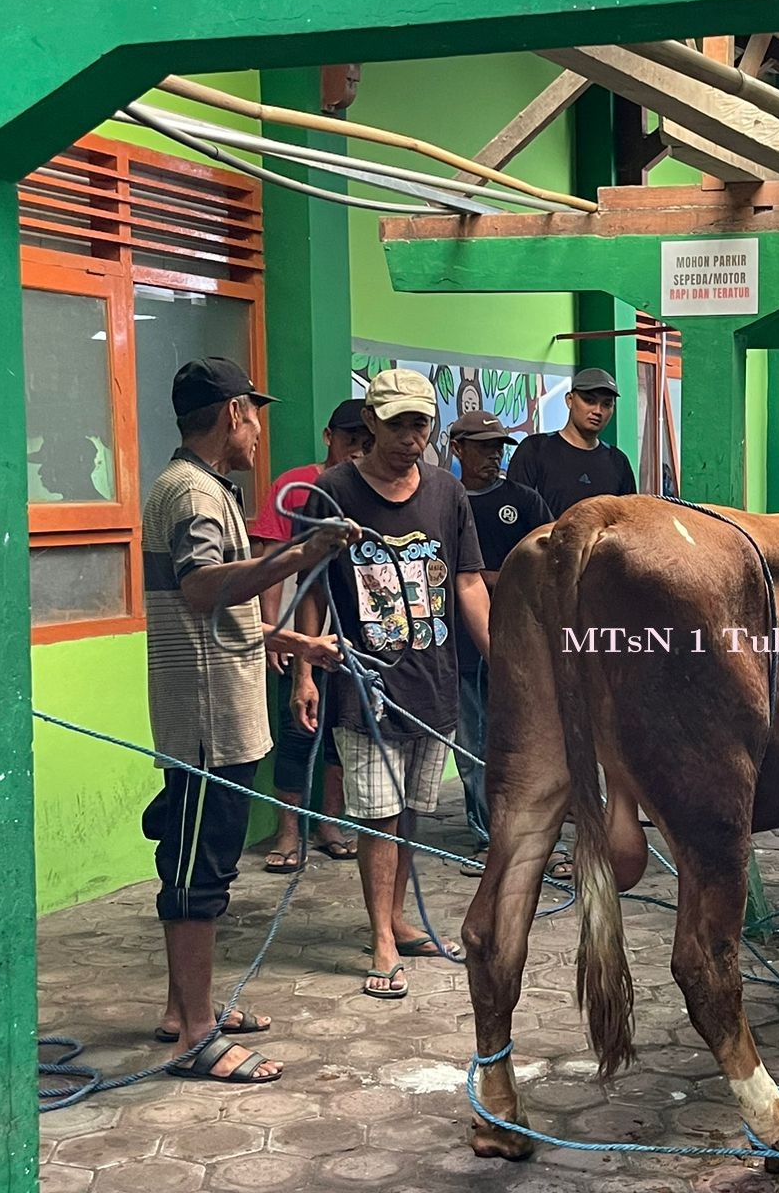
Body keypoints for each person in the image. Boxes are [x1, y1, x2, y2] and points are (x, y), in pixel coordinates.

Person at [141, 357, 354, 1083]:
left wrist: (296, 642)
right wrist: (301, 551)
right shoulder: (195, 495)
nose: (260, 429)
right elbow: (202, 590)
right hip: (207, 720)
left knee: (189, 858)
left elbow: (216, 613)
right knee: (199, 873)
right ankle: (197, 1038)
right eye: (254, 414)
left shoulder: (201, 490)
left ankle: (183, 1008)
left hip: (212, 707)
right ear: (234, 412)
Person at [292, 368, 493, 998]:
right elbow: (311, 586)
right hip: (364, 685)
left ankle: (402, 917)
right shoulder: (332, 491)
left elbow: (467, 582)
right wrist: (304, 671)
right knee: (376, 816)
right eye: (400, 424)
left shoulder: (446, 493)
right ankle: (381, 937)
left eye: (421, 425)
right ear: (371, 424)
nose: (412, 438)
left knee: (411, 814)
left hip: (433, 680)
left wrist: (501, 664)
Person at [249, 399, 373, 871]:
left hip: (355, 638)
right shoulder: (296, 486)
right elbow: (268, 562)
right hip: (302, 630)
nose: (356, 451)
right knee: (298, 729)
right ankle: (287, 832)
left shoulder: (375, 490)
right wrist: (273, 634)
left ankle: (329, 822)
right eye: (349, 440)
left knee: (343, 733)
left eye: (365, 442)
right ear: (328, 437)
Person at [447, 410, 554, 852]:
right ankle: (490, 835)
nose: (493, 455)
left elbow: (552, 564)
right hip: (460, 643)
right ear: (457, 448)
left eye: (497, 447)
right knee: (473, 742)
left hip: (524, 641)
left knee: (525, 739)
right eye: (482, 446)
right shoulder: (445, 500)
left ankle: (531, 831)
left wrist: (494, 579)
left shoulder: (526, 502)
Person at [506, 367, 636, 517]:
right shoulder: (535, 450)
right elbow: (515, 511)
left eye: (606, 404)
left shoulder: (618, 462)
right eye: (589, 400)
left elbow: (628, 521)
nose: (597, 411)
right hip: (546, 540)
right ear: (570, 400)